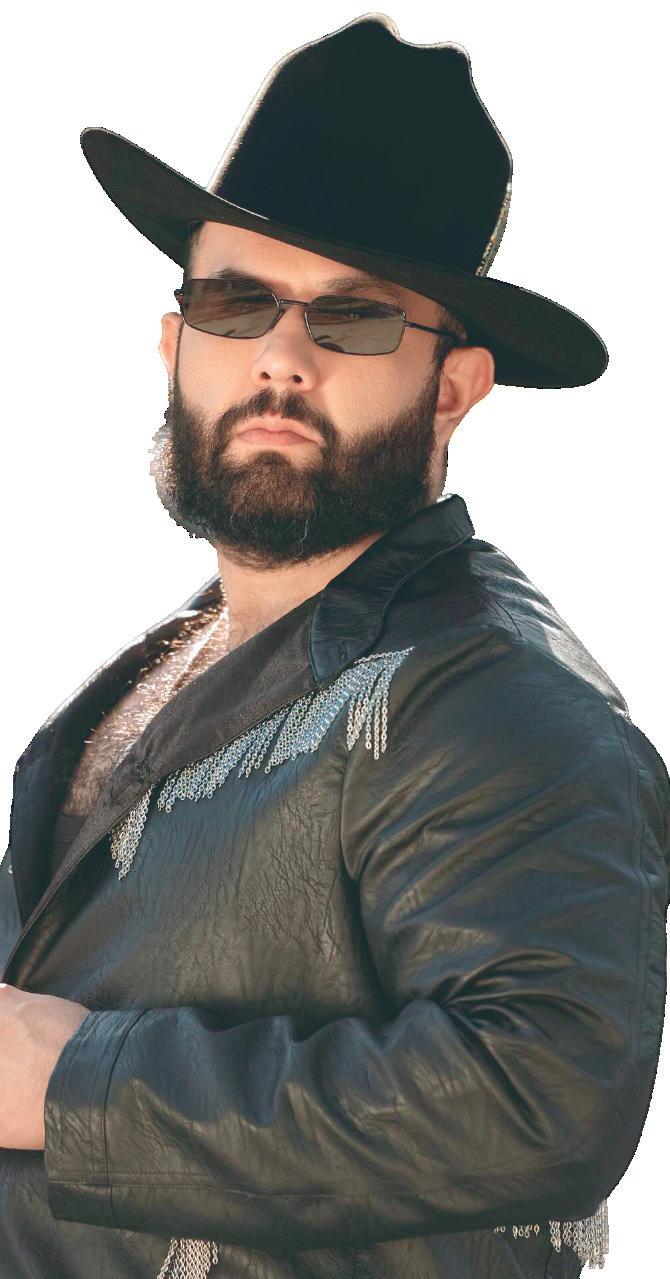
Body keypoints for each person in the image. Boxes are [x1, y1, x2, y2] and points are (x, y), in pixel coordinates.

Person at [0, 14, 668, 1279]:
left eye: (354, 319)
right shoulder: (138, 682)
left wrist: (78, 1082)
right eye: (235, 301)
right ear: (175, 343)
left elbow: (541, 1097)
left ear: (453, 389)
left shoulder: (498, 703)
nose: (281, 358)